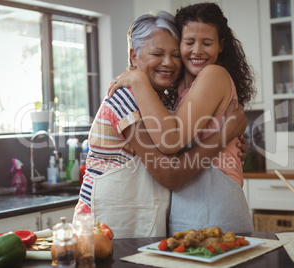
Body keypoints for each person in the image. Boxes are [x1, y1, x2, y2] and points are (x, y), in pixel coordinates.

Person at [74, 11, 248, 238]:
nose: (168, 63)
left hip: (137, 221)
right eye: (157, 53)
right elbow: (169, 173)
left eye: (175, 54)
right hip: (104, 226)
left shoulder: (162, 101)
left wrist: (231, 142)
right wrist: (224, 135)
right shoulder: (126, 98)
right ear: (134, 57)